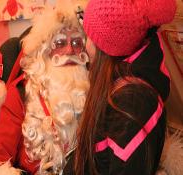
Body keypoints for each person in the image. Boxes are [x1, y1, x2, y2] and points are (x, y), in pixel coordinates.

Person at [0, 1, 90, 174]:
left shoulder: (96, 88)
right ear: (45, 51)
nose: (69, 50)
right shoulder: (21, 93)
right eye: (60, 43)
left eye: (76, 43)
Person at [64, 0, 175, 174]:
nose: (86, 46)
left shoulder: (134, 106)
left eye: (92, 38)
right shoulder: (115, 82)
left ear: (110, 47)